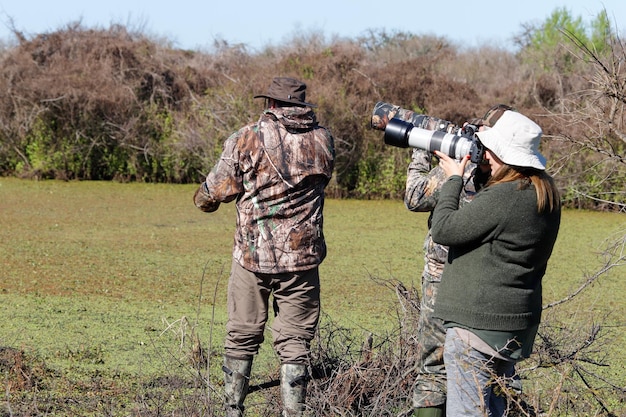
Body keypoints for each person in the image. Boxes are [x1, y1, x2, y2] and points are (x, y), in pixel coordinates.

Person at [193, 77, 335, 417]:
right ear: (302, 106)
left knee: (242, 334)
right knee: (296, 341)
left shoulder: (248, 137)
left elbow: (212, 193)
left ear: (271, 104)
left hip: (253, 257)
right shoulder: (324, 139)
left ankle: (233, 410)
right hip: (302, 259)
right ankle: (293, 412)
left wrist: (203, 199)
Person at [430, 108, 561, 417]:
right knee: (495, 408)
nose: (484, 154)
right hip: (512, 324)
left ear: (505, 154)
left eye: (489, 149)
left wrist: (453, 180)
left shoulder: (506, 196)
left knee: (468, 411)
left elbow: (444, 229)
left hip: (478, 327)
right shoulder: (544, 193)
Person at [404, 109, 497, 417]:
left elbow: (415, 197)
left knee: (433, 368)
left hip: (442, 277)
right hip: (489, 280)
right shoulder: (514, 175)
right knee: (491, 364)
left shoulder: (463, 167)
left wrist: (422, 148)